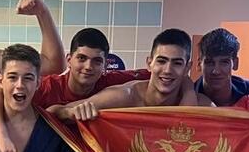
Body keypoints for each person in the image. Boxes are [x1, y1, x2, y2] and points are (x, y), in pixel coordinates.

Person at [0, 27, 146, 152]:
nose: (88, 66)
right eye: (82, 58)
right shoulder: (47, 86)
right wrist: (2, 137)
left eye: (97, 61)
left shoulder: (112, 82)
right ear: (69, 59)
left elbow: (156, 77)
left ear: (105, 65)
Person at [57, 28, 207, 120]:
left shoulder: (202, 105)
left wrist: (189, 93)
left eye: (177, 63)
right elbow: (56, 111)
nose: (168, 70)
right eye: (161, 61)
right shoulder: (124, 96)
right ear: (149, 63)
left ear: (187, 68)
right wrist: (70, 113)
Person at [194, 28, 249, 107]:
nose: (216, 71)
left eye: (224, 62)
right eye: (210, 62)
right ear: (199, 64)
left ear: (235, 63)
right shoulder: (187, 98)